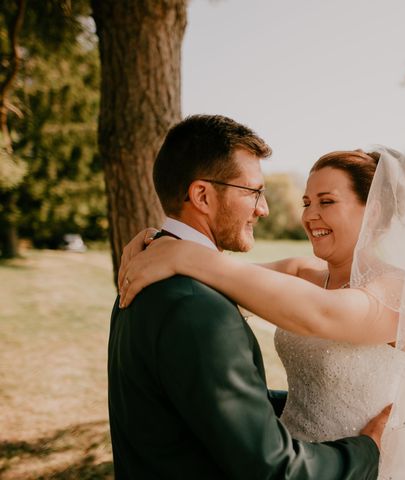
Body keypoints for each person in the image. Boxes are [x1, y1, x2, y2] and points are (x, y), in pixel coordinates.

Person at [120, 146, 405, 479]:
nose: (310, 215)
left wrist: (185, 254)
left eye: (327, 202)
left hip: (357, 465)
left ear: (373, 212)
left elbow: (321, 316)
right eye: (307, 202)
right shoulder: (303, 273)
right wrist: (159, 242)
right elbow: (212, 286)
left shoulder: (400, 291)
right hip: (297, 461)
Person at [108, 114, 388, 479]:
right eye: (253, 192)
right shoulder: (195, 302)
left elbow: (201, 397)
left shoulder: (153, 271)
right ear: (202, 195)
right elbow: (274, 469)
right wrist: (369, 449)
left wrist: (180, 251)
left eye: (327, 201)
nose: (264, 208)